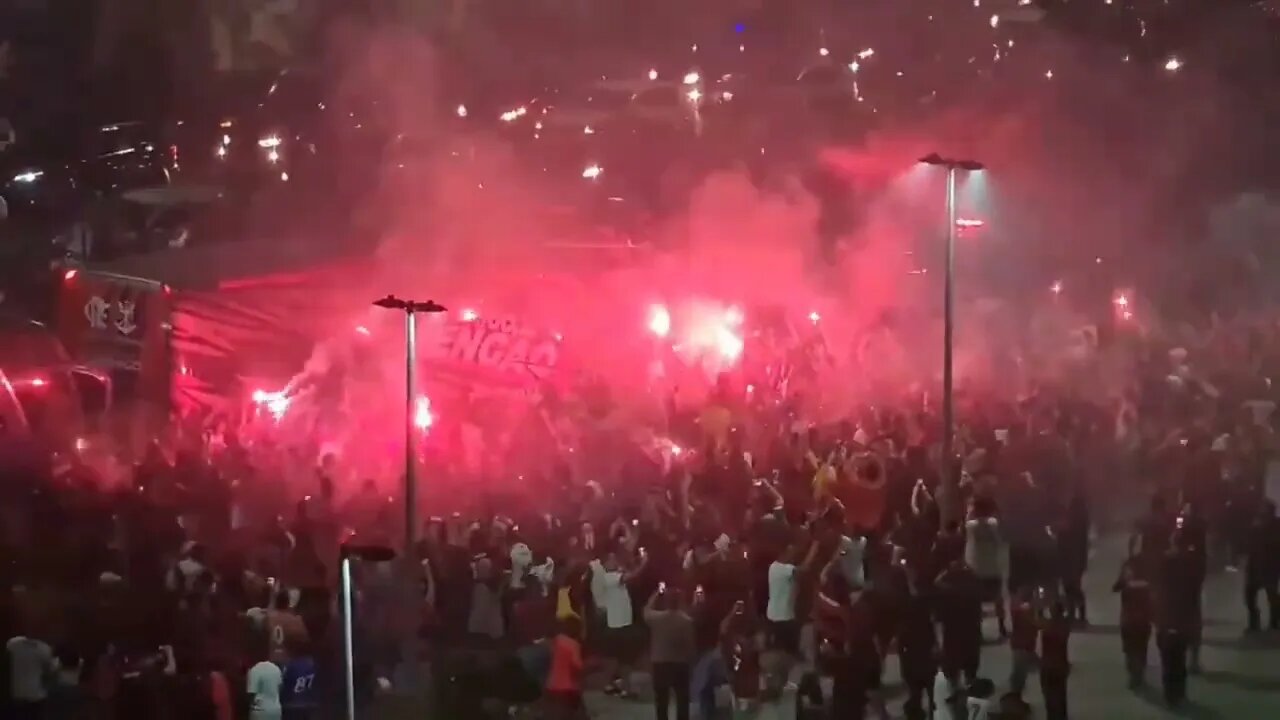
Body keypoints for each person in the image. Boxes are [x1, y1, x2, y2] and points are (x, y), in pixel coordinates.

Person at [591, 549, 645, 698]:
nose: (615, 562)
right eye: (611, 559)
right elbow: (631, 576)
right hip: (617, 624)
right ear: (605, 563)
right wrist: (645, 563)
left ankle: (617, 686)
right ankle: (619, 687)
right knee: (619, 659)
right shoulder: (608, 578)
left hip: (622, 622)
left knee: (621, 659)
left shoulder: (614, 575)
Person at [644, 584, 696, 720]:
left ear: (666, 602)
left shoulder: (656, 619)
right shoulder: (686, 621)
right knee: (682, 700)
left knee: (661, 701)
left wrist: (656, 594)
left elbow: (646, 610)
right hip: (680, 664)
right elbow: (690, 645)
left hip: (660, 664)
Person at [964, 496, 1006, 637]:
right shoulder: (993, 523)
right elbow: (999, 540)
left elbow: (966, 521)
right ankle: (1002, 627)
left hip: (975, 568)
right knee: (998, 599)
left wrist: (970, 511)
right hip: (992, 566)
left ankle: (979, 631)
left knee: (977, 603)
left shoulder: (971, 525)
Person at [1113, 556, 1154, 688]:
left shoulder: (1126, 580)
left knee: (1130, 648)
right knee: (1142, 647)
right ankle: (1139, 674)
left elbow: (1115, 587)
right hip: (1143, 620)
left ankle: (1133, 674)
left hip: (1128, 620)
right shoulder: (1148, 580)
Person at [1243, 500, 1280, 633]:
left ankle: (1274, 621)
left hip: (1270, 565)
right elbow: (1250, 544)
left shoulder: (1276, 526)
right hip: (1255, 565)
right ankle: (1254, 620)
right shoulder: (1256, 524)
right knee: (1249, 595)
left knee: (1272, 595)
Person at [6, 632, 55, 720]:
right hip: (36, 695)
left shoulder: (12, 644)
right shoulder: (44, 648)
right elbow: (50, 671)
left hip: (16, 693)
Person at [544, 618, 586, 720]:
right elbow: (577, 665)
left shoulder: (554, 641)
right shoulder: (573, 644)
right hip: (567, 687)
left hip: (551, 684)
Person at [1039, 600, 1071, 720]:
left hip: (1049, 665)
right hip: (1061, 665)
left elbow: (1038, 621)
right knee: (1060, 693)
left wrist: (1039, 610)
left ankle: (1053, 716)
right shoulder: (1064, 624)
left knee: (1050, 695)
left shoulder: (1050, 625)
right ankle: (1062, 716)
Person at [280, 641, 317, 720]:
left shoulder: (292, 665)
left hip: (291, 704)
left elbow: (284, 683)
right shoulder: (313, 665)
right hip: (307, 703)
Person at [246, 648, 284, 720]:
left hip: (260, 710)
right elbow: (280, 687)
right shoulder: (276, 668)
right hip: (276, 709)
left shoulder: (255, 669)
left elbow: (252, 693)